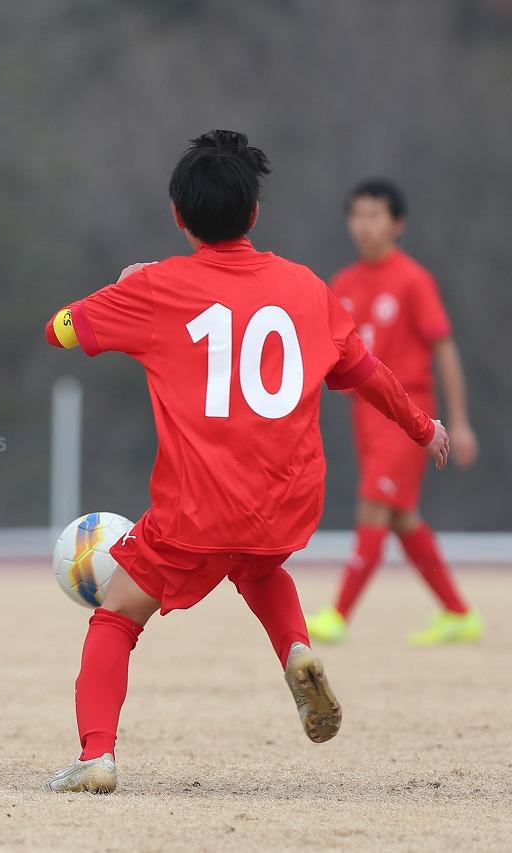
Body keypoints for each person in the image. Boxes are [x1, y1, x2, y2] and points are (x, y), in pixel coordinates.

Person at [41, 131, 449, 794]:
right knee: (258, 566)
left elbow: (59, 329)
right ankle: (296, 649)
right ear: (254, 213)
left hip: (196, 509)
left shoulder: (157, 288)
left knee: (115, 617)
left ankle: (96, 756)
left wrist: (122, 286)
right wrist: (423, 427)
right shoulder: (307, 287)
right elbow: (368, 373)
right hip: (284, 502)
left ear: (178, 215)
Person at [306, 179, 483, 646]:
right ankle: (458, 613)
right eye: (357, 215)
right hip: (365, 414)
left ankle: (338, 615)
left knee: (375, 504)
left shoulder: (413, 280)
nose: (364, 225)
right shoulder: (343, 283)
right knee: (401, 515)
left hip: (410, 411)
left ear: (397, 224)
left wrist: (460, 421)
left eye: (375, 215)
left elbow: (444, 348)